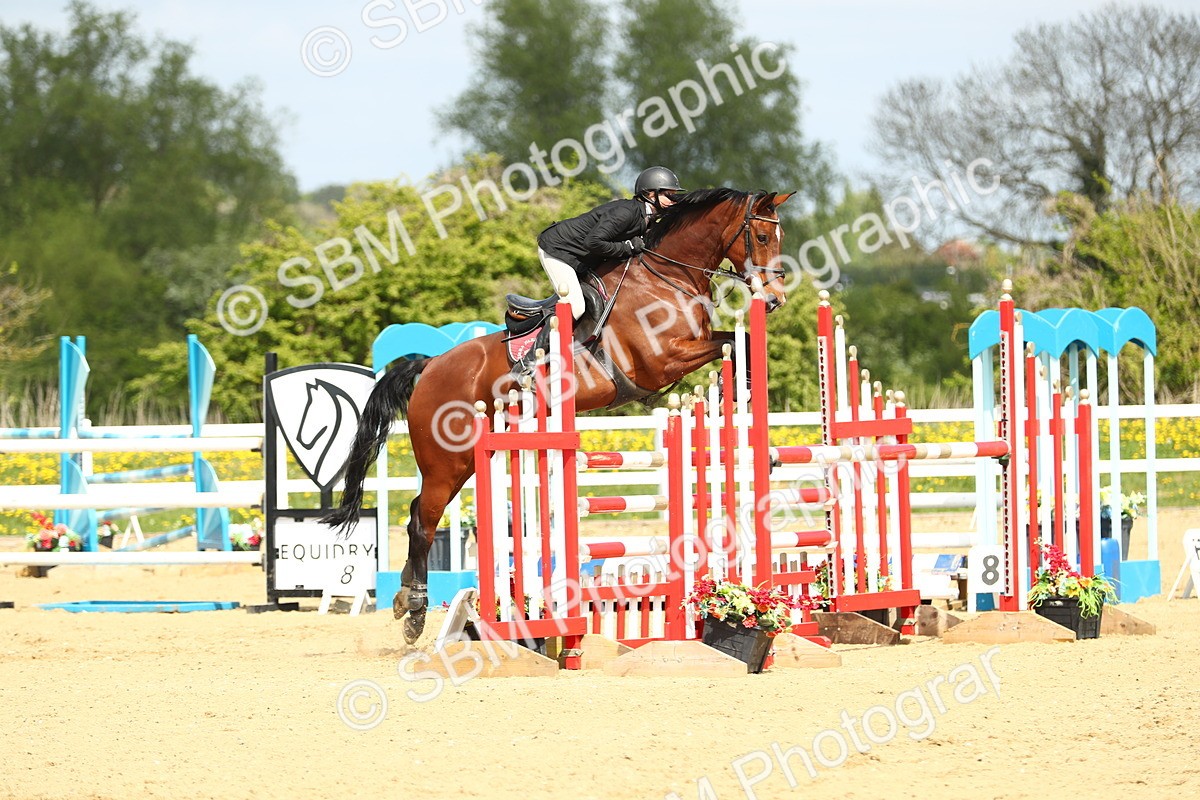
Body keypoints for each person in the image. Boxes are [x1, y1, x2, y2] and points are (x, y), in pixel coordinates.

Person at [533, 166, 684, 320]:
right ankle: (544, 343)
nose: (673, 201)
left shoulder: (647, 217)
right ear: (649, 194)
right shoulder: (625, 213)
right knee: (576, 306)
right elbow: (593, 242)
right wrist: (627, 247)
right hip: (558, 249)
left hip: (581, 256)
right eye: (669, 195)